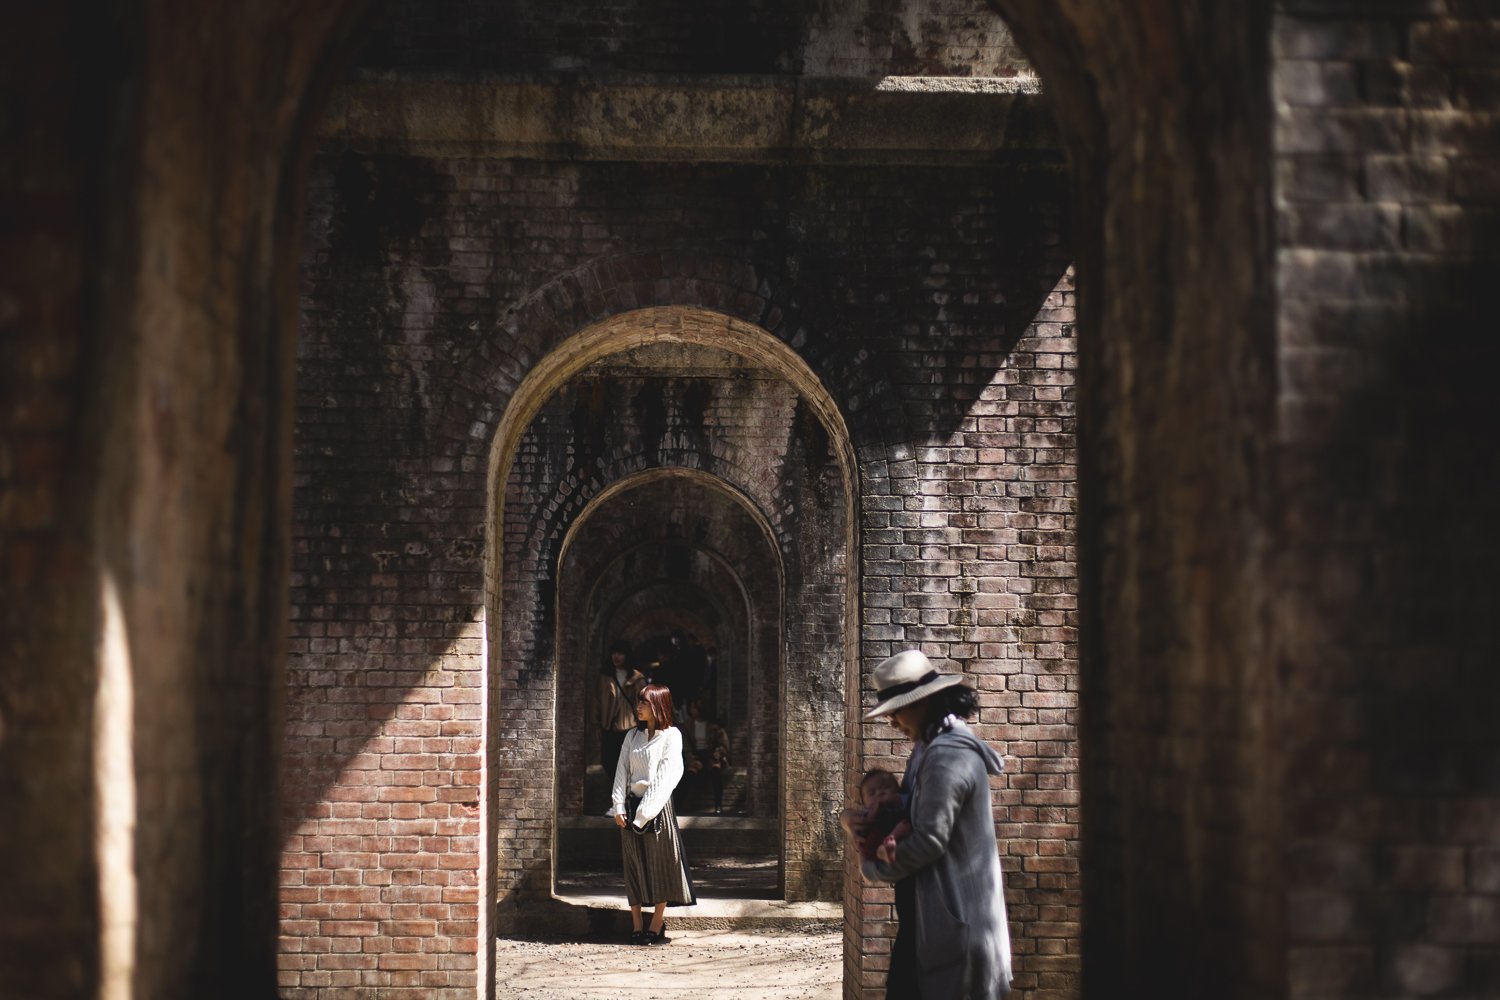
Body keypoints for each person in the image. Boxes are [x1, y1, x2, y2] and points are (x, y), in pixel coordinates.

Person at [861, 649, 1012, 1000]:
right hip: (933, 922)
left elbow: (929, 840)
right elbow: (912, 810)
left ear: (921, 703)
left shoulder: (947, 756)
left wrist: (872, 866)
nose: (893, 723)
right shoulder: (928, 748)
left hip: (955, 925)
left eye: (896, 712)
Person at [609, 683, 696, 945]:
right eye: (639, 702)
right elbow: (621, 771)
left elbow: (666, 777)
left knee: (661, 865)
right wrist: (619, 807)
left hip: (657, 809)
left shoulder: (672, 736)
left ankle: (656, 922)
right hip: (630, 806)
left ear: (658, 705)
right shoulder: (631, 737)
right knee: (633, 865)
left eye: (644, 703)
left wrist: (644, 814)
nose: (638, 707)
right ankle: (636, 922)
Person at [841, 767, 911, 863]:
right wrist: (872, 816)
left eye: (885, 787)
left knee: (903, 826)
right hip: (877, 841)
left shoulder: (899, 801)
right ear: (864, 803)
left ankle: (888, 845)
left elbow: (908, 800)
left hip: (898, 835)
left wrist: (895, 799)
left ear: (897, 790)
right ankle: (883, 851)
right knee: (867, 839)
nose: (879, 793)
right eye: (872, 793)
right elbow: (864, 824)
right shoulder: (868, 810)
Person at [595, 640, 644, 769]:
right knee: (608, 762)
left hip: (629, 727)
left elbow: (642, 702)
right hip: (609, 725)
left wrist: (642, 724)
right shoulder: (605, 677)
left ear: (627, 655)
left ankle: (624, 788)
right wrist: (597, 723)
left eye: (620, 653)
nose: (616, 657)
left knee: (627, 763)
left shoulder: (637, 678)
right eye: (614, 653)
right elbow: (597, 701)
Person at [681, 699, 731, 815]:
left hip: (711, 754)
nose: (692, 710)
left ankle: (718, 805)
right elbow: (686, 746)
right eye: (691, 708)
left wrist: (717, 755)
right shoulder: (688, 725)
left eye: (695, 708)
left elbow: (723, 745)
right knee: (689, 775)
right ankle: (681, 805)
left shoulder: (714, 725)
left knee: (716, 772)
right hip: (696, 754)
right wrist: (691, 760)